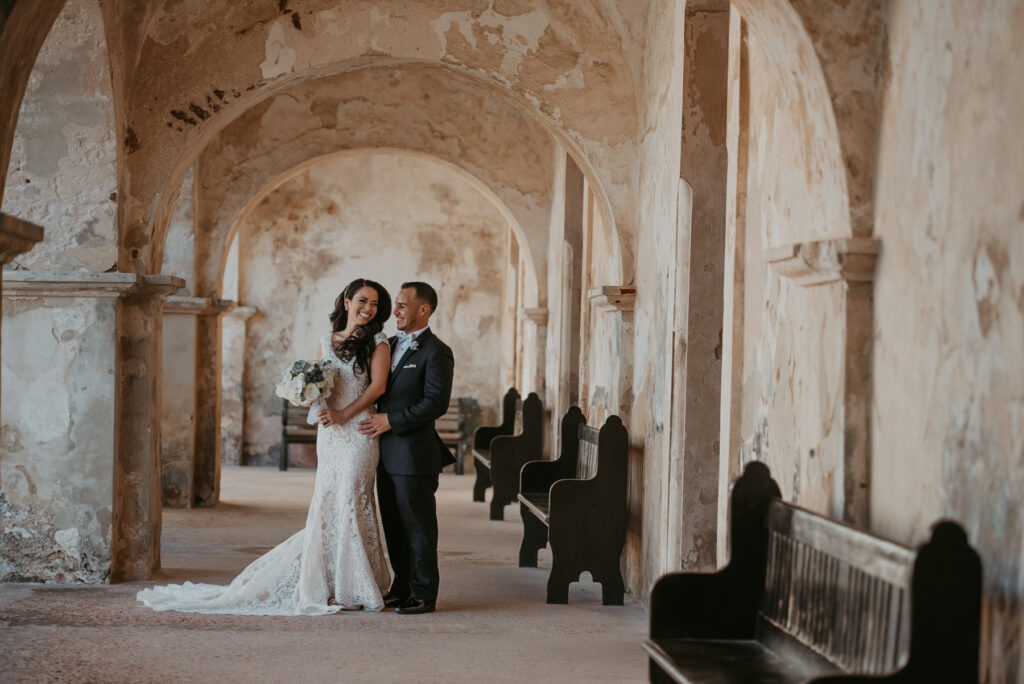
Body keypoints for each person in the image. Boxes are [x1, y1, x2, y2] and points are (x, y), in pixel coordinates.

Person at [137, 278, 393, 615]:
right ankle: (328, 582)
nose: (368, 309)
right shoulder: (325, 341)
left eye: (375, 304)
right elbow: (320, 386)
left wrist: (344, 414)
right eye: (362, 300)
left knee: (352, 500)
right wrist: (314, 406)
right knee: (328, 504)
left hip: (359, 433)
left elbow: (377, 387)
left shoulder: (378, 342)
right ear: (346, 301)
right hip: (330, 436)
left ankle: (356, 584)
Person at [359, 281, 455, 615]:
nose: (395, 311)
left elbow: (435, 403)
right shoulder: (388, 344)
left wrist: (391, 421)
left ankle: (424, 593)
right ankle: (402, 587)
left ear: (423, 310)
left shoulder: (437, 351)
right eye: (397, 305)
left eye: (402, 305)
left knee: (419, 528)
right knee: (394, 527)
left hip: (415, 456)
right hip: (384, 455)